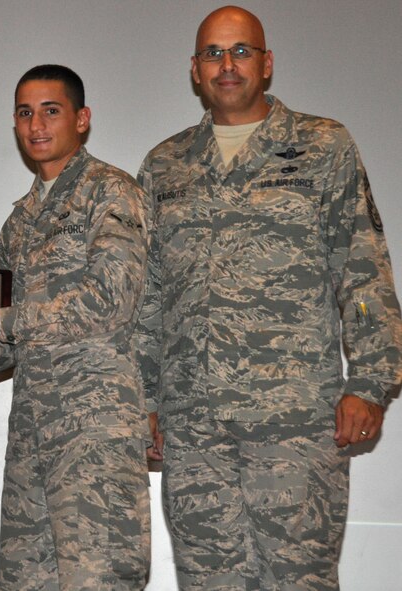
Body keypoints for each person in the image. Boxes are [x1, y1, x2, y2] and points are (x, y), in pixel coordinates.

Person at [136, 6, 402, 590]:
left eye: (241, 51)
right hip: (193, 426)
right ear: (195, 69)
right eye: (213, 53)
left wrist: (370, 381)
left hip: (295, 423)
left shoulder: (323, 147)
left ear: (267, 63)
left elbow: (361, 274)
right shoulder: (165, 165)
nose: (226, 65)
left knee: (298, 580)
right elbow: (150, 298)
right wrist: (146, 399)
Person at [0, 65, 151, 590]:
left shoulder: (112, 192)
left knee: (98, 580)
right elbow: (4, 345)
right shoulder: (21, 219)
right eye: (25, 112)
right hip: (33, 433)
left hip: (94, 432)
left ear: (82, 119)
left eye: (51, 110)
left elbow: (110, 298)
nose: (37, 125)